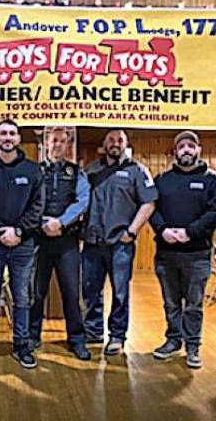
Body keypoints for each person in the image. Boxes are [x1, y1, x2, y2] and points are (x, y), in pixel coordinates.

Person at [149, 131, 216, 368]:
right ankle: (173, 340)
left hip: (197, 255)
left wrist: (189, 232)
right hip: (166, 254)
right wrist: (162, 230)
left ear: (198, 150)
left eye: (191, 146)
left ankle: (193, 346)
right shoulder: (162, 179)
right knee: (171, 302)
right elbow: (151, 208)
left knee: (193, 304)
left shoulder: (212, 180)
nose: (186, 150)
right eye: (181, 146)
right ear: (175, 151)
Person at [0, 119, 44, 371]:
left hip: (24, 245)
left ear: (18, 139)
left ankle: (21, 345)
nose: (8, 137)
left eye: (12, 133)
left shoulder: (34, 171)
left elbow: (38, 206)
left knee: (22, 297)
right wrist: (0, 231)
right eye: (3, 133)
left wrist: (19, 231)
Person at [82, 129, 157, 356]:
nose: (115, 144)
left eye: (120, 140)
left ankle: (117, 336)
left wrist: (132, 231)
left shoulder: (137, 171)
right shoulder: (91, 170)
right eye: (111, 140)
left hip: (120, 243)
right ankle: (93, 331)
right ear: (104, 144)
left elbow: (149, 203)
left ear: (126, 144)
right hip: (93, 242)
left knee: (120, 292)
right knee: (90, 289)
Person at [28, 127, 91, 360]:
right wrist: (45, 222)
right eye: (53, 141)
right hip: (38, 240)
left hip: (67, 241)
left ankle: (77, 339)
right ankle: (32, 336)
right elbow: (29, 201)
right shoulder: (34, 171)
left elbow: (82, 201)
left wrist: (61, 222)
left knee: (72, 293)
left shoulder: (77, 173)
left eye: (62, 142)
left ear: (67, 145)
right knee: (36, 292)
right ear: (45, 142)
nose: (57, 145)